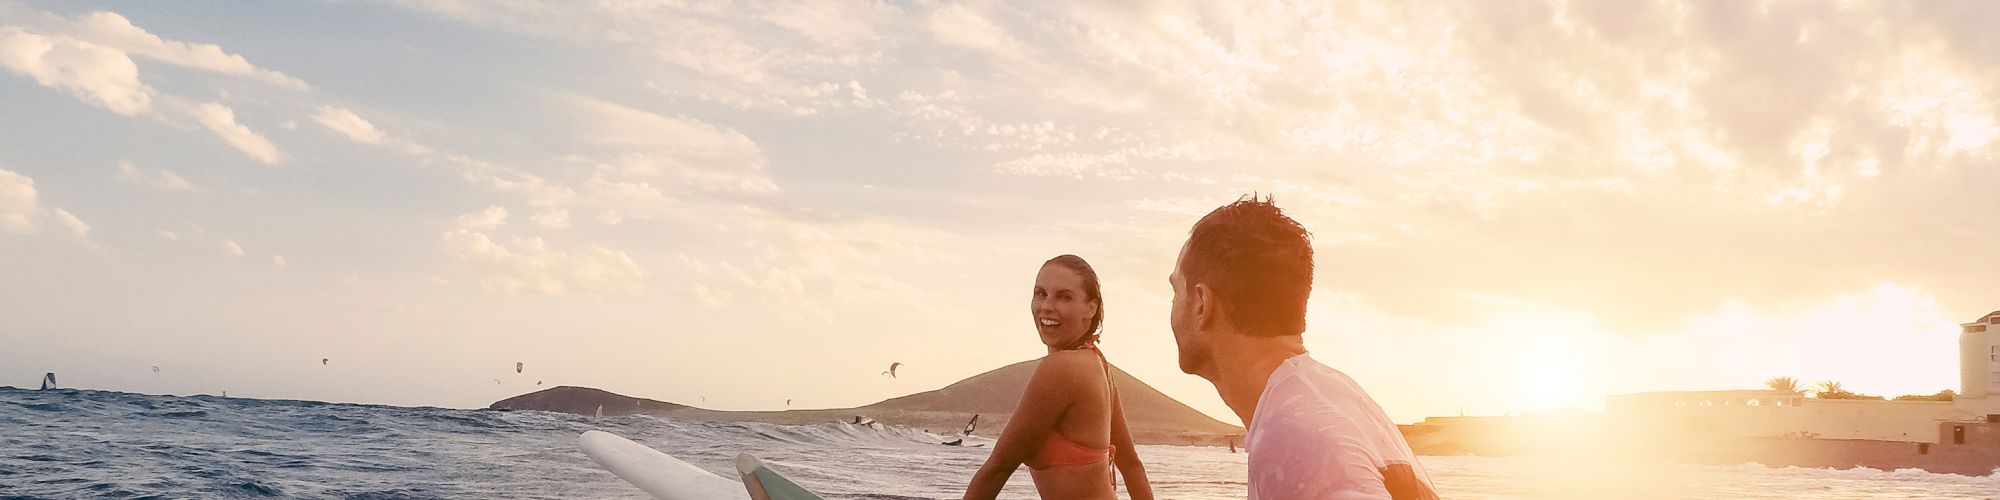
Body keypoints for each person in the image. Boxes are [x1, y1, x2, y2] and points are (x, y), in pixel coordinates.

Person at [1167, 196, 1438, 500]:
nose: (1173, 309)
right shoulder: (1332, 397)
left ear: (1201, 304)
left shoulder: (1293, 439)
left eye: (1176, 292)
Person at [964, 255, 1155, 500]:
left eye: (1064, 297)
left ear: (1091, 308)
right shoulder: (1097, 362)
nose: (1046, 306)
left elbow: (997, 469)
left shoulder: (1062, 368)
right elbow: (1131, 465)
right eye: (1040, 293)